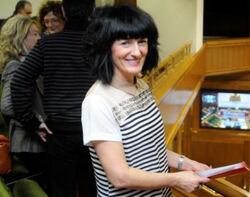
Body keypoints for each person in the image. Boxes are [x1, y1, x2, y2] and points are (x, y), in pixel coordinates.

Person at [82, 5, 210, 196]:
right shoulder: (98, 102)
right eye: (125, 43)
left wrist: (187, 163)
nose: (137, 52)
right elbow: (120, 176)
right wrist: (176, 179)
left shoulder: (141, 86)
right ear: (105, 46)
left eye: (142, 42)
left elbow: (151, 149)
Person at [10, 0, 97, 196]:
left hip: (59, 131)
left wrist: (31, 121)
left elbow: (19, 82)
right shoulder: (101, 45)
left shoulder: (47, 44)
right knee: (93, 189)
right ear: (92, 10)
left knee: (61, 190)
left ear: (64, 11)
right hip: (96, 129)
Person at [0, 15, 45, 173]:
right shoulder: (15, 65)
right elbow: (6, 106)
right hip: (28, 142)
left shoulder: (27, 62)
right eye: (34, 34)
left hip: (32, 142)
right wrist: (36, 121)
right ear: (20, 37)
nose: (39, 38)